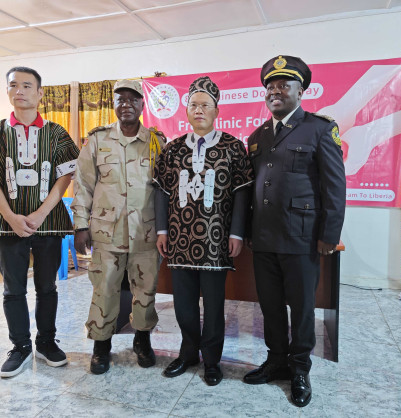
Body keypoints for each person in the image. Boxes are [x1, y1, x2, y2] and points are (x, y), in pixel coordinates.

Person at [0, 66, 80, 378]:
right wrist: (11, 217)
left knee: (47, 287)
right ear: (8, 91)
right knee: (13, 289)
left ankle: (46, 342)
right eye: (14, 85)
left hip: (50, 222)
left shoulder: (57, 133)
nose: (20, 91)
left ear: (40, 93)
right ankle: (20, 346)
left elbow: (65, 176)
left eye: (28, 86)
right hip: (8, 224)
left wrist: (41, 213)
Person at [243, 55, 346, 407]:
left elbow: (334, 186)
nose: (276, 91)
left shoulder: (319, 129)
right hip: (264, 237)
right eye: (270, 87)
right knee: (270, 306)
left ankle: (299, 368)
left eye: (283, 85)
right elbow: (252, 189)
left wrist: (329, 235)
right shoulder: (256, 136)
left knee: (301, 308)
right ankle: (276, 361)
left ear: (300, 91)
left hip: (302, 237)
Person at [153, 76, 253, 386]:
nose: (199, 110)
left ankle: (211, 361)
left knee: (213, 305)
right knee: (182, 305)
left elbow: (242, 192)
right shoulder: (172, 149)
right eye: (193, 104)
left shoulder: (232, 147)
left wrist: (236, 233)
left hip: (216, 242)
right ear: (186, 110)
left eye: (205, 105)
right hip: (180, 240)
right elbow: (161, 192)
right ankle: (187, 354)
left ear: (216, 111)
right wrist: (161, 230)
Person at [71, 79, 165, 375]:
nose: (125, 104)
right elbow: (83, 185)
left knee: (145, 290)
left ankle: (142, 340)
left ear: (141, 105)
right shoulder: (98, 140)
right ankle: (101, 346)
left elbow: (165, 188)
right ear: (114, 105)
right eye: (120, 100)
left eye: (132, 99)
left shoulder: (156, 142)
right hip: (106, 233)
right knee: (104, 289)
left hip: (145, 233)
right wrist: (80, 225)